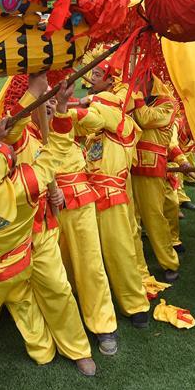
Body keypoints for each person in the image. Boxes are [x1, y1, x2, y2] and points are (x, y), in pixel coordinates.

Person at [0, 78, 95, 390]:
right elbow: (54, 151)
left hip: (22, 246)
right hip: (26, 240)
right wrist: (52, 102)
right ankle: (47, 350)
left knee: (55, 290)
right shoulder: (24, 177)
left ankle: (73, 349)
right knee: (27, 298)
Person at [69, 61, 150, 329]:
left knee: (120, 251)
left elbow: (90, 116)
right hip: (90, 196)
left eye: (96, 75)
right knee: (89, 254)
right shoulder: (102, 122)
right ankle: (86, 301)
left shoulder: (116, 114)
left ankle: (135, 305)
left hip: (110, 197)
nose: (91, 78)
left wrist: (68, 106)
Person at [131, 77, 191, 283]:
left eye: (140, 78)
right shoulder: (134, 99)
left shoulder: (167, 103)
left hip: (150, 167)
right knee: (131, 220)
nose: (136, 82)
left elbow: (146, 119)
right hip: (125, 165)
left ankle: (169, 262)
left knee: (154, 217)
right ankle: (136, 267)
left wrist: (135, 96)